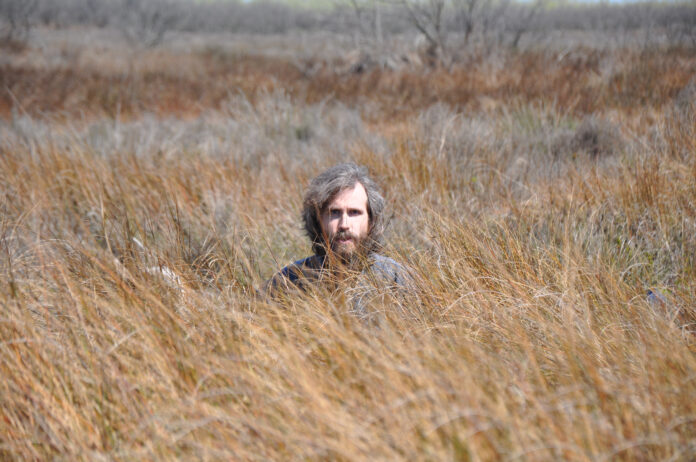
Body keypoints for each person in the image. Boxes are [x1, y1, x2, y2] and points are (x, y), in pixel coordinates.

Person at [264, 163, 412, 314]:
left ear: (371, 221)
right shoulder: (290, 281)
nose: (344, 224)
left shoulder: (397, 279)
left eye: (354, 212)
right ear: (317, 220)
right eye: (334, 212)